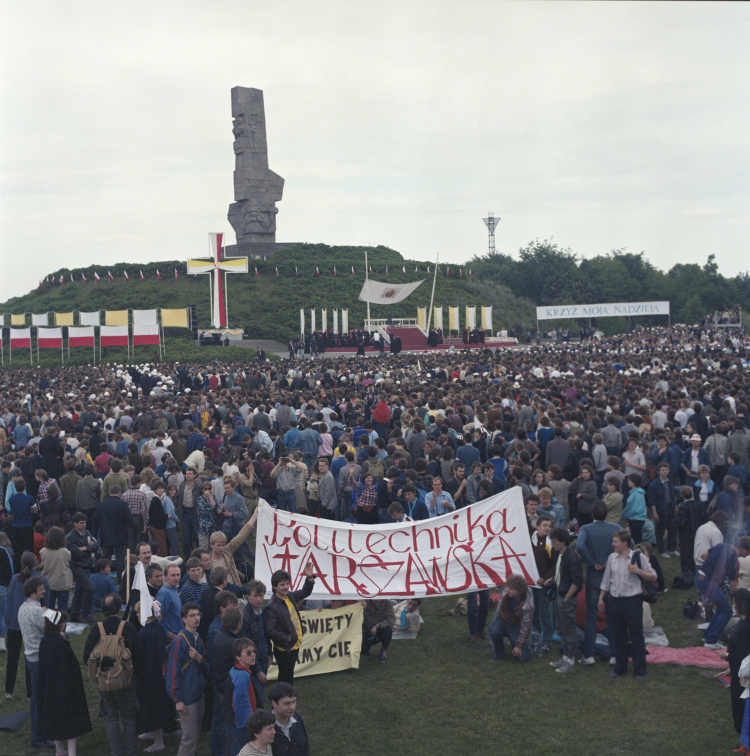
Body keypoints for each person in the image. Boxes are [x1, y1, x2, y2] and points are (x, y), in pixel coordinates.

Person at [83, 593, 145, 756]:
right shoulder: (128, 627)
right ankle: (131, 751)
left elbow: (86, 657)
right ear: (119, 609)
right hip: (125, 681)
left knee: (110, 718)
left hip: (103, 681)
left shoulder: (97, 628)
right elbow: (139, 654)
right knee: (129, 718)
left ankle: (116, 752)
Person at [598, 528, 657, 680]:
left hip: (632, 602)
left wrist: (638, 571)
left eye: (616, 542)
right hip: (615, 602)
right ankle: (620, 668)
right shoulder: (612, 558)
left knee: (637, 637)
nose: (613, 544)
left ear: (625, 543)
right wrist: (601, 597)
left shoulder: (638, 557)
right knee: (618, 636)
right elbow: (606, 580)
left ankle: (640, 671)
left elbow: (653, 576)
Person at [37, 608, 92, 756]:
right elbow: (72, 666)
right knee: (69, 721)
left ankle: (59, 750)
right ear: (59, 625)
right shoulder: (61, 644)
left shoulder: (44, 642)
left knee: (54, 718)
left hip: (50, 688)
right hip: (65, 688)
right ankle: (72, 752)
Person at [575, 501, 620, 665]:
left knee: (592, 614)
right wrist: (609, 559)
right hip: (611, 574)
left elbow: (579, 545)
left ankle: (588, 655)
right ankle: (615, 655)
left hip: (594, 574)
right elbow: (631, 542)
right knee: (612, 615)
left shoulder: (586, 528)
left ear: (592, 514)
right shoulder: (615, 527)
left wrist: (592, 562)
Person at [166, 601, 209, 756]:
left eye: (198, 614)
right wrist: (178, 699)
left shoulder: (198, 638)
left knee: (194, 736)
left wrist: (198, 658)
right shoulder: (179, 641)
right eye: (192, 615)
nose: (196, 618)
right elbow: (172, 672)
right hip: (187, 697)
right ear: (184, 619)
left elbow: (206, 665)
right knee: (189, 739)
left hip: (198, 693)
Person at [264, 563, 316, 683]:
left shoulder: (289, 596)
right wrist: (286, 638)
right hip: (285, 648)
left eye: (287, 583)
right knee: (285, 676)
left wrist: (309, 578)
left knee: (288, 674)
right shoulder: (272, 606)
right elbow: (270, 630)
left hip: (293, 644)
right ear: (274, 587)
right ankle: (284, 697)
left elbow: (305, 592)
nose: (286, 587)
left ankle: (286, 696)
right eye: (282, 584)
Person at [18, 575, 49, 748]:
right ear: (32, 592)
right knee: (40, 700)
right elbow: (50, 627)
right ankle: (38, 737)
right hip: (39, 658)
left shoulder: (23, 607)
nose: (44, 591)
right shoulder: (36, 611)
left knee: (36, 699)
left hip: (30, 657)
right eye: (41, 589)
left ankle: (38, 735)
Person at [136, 605, 172, 753]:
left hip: (151, 674)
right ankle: (152, 732)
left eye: (138, 612)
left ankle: (158, 741)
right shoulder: (157, 627)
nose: (137, 615)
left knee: (153, 706)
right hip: (158, 671)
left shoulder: (146, 632)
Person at [546, 527, 582, 673]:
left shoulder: (571, 558)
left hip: (565, 598)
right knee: (560, 628)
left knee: (569, 630)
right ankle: (566, 656)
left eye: (554, 542)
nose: (552, 544)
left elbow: (577, 581)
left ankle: (570, 660)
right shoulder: (559, 554)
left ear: (562, 541)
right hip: (558, 595)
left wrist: (567, 598)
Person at [222, 637, 264, 756]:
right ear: (238, 657)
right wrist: (248, 728)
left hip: (232, 724)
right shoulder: (242, 676)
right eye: (248, 652)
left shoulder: (236, 671)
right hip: (240, 727)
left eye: (254, 651)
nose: (253, 655)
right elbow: (241, 706)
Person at [696, 540, 740, 650]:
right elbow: (733, 587)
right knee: (728, 610)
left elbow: (703, 555)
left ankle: (707, 636)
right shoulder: (735, 560)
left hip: (699, 576)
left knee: (722, 608)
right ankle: (711, 640)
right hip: (707, 582)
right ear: (743, 550)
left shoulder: (722, 545)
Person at [722, 588, 750, 736]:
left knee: (742, 708)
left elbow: (743, 656)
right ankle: (745, 744)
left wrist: (726, 656)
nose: (733, 605)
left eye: (734, 603)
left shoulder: (746, 627)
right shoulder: (742, 622)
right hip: (739, 672)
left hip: (743, 677)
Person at [489, 574, 535, 663]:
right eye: (508, 587)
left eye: (512, 589)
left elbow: (526, 627)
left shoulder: (528, 605)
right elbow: (495, 581)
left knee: (522, 659)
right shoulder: (506, 591)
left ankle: (514, 642)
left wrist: (519, 646)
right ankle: (499, 653)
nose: (508, 590)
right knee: (494, 631)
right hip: (503, 619)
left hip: (516, 625)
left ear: (519, 591)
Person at [90, 485, 133, 577]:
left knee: (106, 557)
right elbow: (129, 519)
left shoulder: (101, 505)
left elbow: (95, 520)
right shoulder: (123, 504)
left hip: (106, 534)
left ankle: (103, 576)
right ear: (119, 493)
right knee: (120, 558)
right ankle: (120, 578)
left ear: (110, 493)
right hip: (120, 535)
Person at [66, 512, 98, 623]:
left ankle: (74, 615)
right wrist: (89, 549)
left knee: (79, 591)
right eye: (81, 523)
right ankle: (86, 613)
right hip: (77, 566)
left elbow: (96, 545)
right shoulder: (70, 538)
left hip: (86, 565)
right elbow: (76, 553)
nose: (84, 525)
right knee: (90, 588)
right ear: (75, 524)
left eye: (85, 522)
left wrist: (84, 548)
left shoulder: (87, 533)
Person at [269, 681, 310, 756]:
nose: (292, 707)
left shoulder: (297, 718)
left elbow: (305, 748)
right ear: (274, 703)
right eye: (287, 703)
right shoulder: (263, 725)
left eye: (294, 702)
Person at [674, 486, 708, 576]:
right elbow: (706, 519)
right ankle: (697, 572)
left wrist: (675, 520)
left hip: (687, 535)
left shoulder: (683, 508)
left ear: (682, 496)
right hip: (699, 534)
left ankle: (687, 575)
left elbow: (680, 523)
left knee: (686, 555)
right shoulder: (699, 505)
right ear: (692, 494)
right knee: (697, 554)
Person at [39, 526, 73, 613]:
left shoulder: (43, 551)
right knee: (62, 610)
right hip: (62, 583)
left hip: (48, 583)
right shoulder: (66, 552)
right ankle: (61, 626)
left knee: (49, 610)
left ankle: (49, 626)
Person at [8, 479, 37, 572]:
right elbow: (35, 510)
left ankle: (17, 571)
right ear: (24, 487)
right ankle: (30, 569)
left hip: (16, 526)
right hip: (27, 526)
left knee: (17, 551)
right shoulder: (29, 498)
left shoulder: (11, 499)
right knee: (29, 549)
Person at [621, 473, 647, 545]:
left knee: (637, 540)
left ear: (634, 482)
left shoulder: (637, 494)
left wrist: (623, 516)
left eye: (629, 480)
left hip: (636, 519)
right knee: (636, 538)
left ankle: (641, 553)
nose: (627, 482)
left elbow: (633, 509)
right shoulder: (635, 493)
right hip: (636, 519)